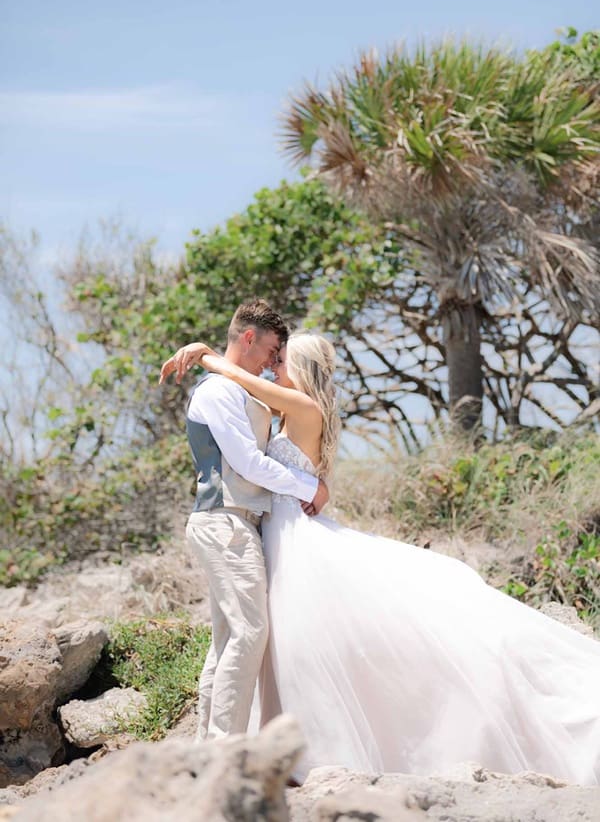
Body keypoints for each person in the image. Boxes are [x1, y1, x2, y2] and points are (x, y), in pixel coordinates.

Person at [161, 330, 600, 786]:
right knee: (287, 642)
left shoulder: (304, 407)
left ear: (303, 370)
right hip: (276, 532)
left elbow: (244, 383)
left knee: (301, 640)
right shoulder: (285, 410)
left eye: (282, 360)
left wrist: (206, 355)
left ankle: (301, 748)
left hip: (293, 534)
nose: (273, 366)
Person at [159, 301, 329, 742]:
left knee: (228, 639)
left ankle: (207, 747)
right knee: (251, 632)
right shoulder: (217, 392)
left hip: (242, 524)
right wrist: (310, 487)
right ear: (249, 338)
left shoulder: (242, 389)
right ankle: (224, 748)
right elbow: (247, 462)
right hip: (224, 521)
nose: (273, 362)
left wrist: (204, 351)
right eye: (272, 350)